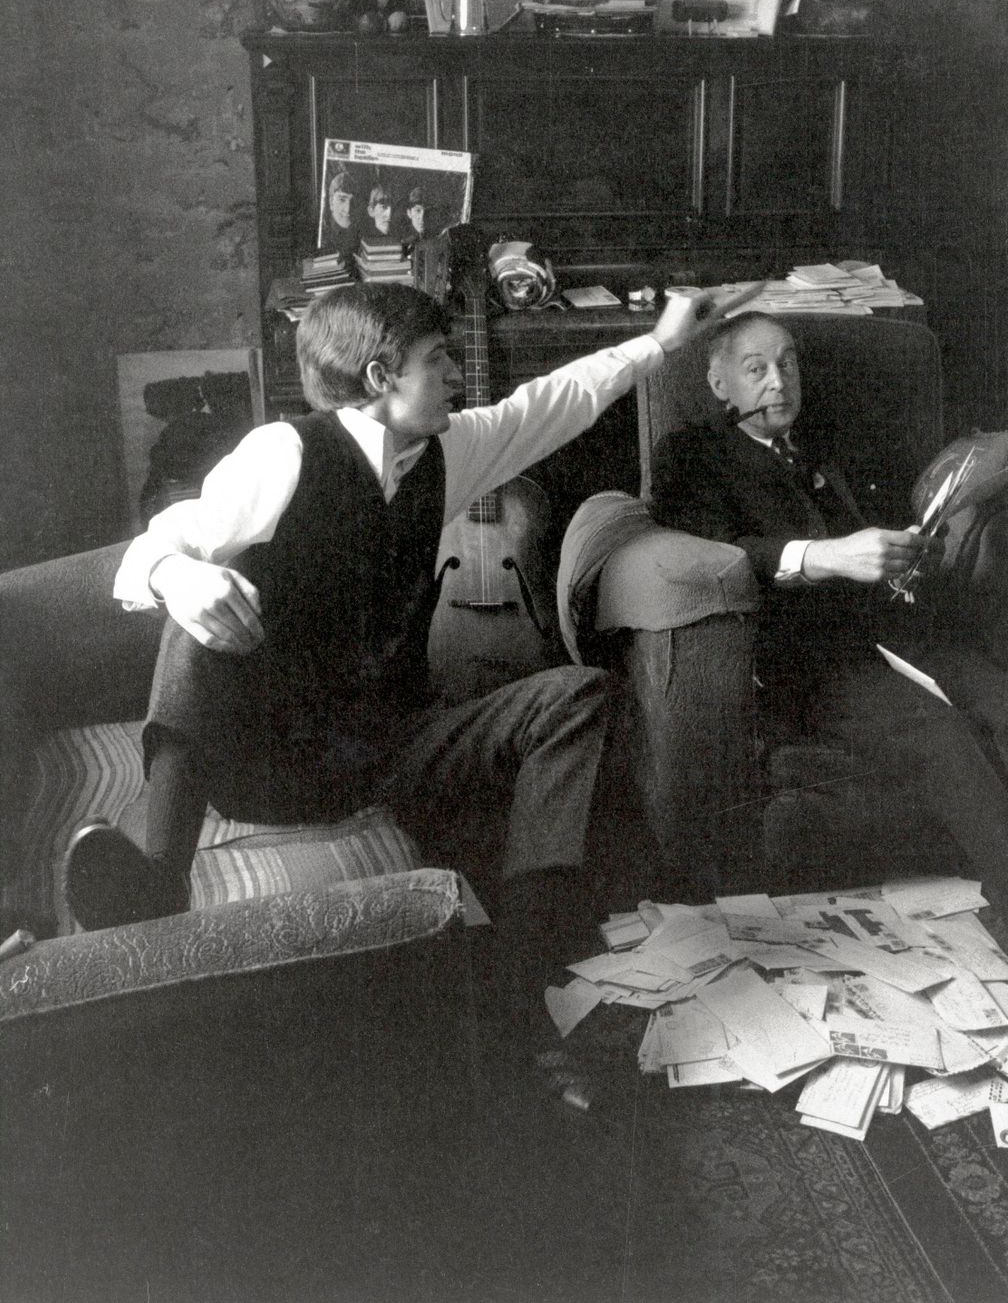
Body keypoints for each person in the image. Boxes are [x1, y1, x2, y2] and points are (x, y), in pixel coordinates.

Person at [63, 279, 761, 1110]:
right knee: (197, 611)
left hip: (387, 747)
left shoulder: (446, 453)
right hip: (266, 765)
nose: (459, 378)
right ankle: (157, 880)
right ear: (380, 373)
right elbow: (153, 547)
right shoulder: (282, 453)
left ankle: (527, 959)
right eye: (439, 362)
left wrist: (664, 341)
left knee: (578, 693)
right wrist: (181, 575)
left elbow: (556, 400)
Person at [649, 310, 1008, 974]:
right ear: (719, 383)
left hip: (891, 626)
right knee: (940, 733)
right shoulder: (695, 456)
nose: (780, 380)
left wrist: (915, 545)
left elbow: (890, 516)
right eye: (757, 369)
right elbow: (716, 558)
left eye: (789, 362)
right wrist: (834, 557)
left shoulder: (828, 441)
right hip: (808, 660)